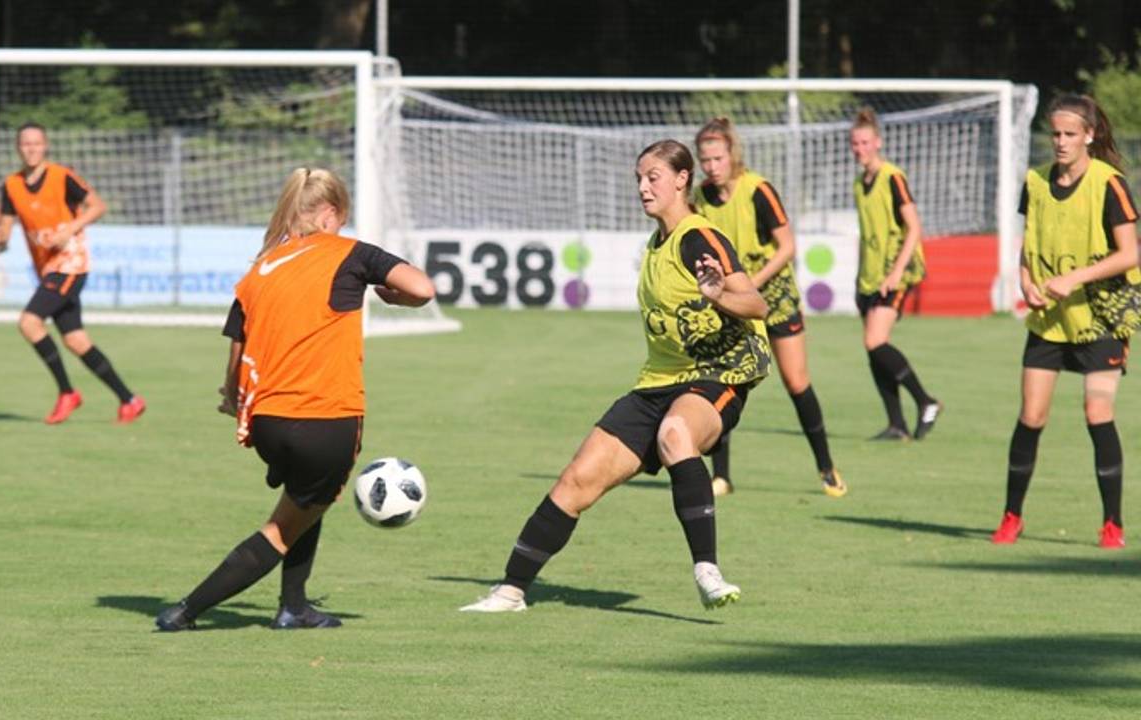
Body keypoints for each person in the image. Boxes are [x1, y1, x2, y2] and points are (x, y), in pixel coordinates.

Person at [461, 140, 771, 614]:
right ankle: (511, 591)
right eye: (639, 178)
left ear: (682, 180)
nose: (643, 187)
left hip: (721, 373)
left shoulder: (698, 237)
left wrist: (718, 296)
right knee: (576, 481)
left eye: (653, 177)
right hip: (659, 379)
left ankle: (707, 571)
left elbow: (756, 304)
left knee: (675, 433)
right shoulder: (656, 243)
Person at [156, 167, 435, 631]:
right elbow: (422, 288)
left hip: (267, 421)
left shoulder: (262, 269)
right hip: (326, 418)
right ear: (329, 214)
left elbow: (237, 350)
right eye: (340, 219)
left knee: (306, 502)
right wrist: (396, 299)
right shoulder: (350, 253)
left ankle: (295, 606)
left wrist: (232, 399)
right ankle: (185, 611)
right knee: (282, 529)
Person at [992, 94, 1140, 550]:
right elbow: (1028, 244)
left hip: (1101, 318)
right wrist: (1025, 281)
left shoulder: (1109, 184)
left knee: (1097, 412)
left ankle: (1112, 525)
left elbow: (1130, 254)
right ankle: (1011, 517)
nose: (1060, 141)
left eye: (1070, 134)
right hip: (1049, 320)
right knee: (1031, 415)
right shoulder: (1035, 182)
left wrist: (1075, 277)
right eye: (1055, 133)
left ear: (1089, 136)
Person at [694, 117, 845, 498]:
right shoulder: (701, 198)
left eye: (717, 158)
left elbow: (787, 246)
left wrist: (753, 284)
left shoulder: (758, 190)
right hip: (731, 300)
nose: (711, 166)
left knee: (796, 381)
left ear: (732, 154)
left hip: (774, 297)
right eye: (705, 159)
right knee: (721, 379)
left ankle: (826, 468)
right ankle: (721, 476)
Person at [0, 122, 145, 425]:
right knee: (76, 340)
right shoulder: (11, 185)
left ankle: (67, 393)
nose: (31, 148)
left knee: (29, 322)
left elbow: (97, 206)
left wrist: (68, 230)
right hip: (47, 269)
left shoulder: (61, 176)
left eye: (36, 143)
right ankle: (129, 400)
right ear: (18, 148)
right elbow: (5, 231)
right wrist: (0, 239)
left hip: (70, 264)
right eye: (25, 143)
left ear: (45, 145)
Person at [850, 108, 941, 441]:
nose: (859, 149)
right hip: (870, 276)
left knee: (875, 341)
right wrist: (860, 276)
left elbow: (914, 227)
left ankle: (926, 401)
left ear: (878, 142)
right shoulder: (859, 184)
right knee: (874, 350)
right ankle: (896, 424)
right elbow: (866, 234)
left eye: (865, 142)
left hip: (896, 273)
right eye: (855, 143)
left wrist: (895, 272)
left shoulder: (893, 177)